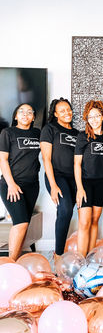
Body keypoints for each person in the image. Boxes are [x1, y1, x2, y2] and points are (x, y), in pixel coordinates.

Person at [0, 103, 40, 260]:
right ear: (16, 116)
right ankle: (11, 264)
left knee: (23, 225)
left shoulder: (37, 133)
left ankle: (14, 260)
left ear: (33, 117)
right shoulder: (7, 132)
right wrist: (11, 184)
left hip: (32, 186)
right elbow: (2, 160)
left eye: (30, 112)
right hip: (12, 185)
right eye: (21, 111)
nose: (25, 114)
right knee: (21, 223)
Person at [40, 98, 78, 260]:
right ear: (55, 114)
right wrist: (53, 185)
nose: (67, 113)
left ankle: (75, 252)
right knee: (65, 210)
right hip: (57, 176)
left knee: (67, 212)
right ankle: (58, 254)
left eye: (68, 109)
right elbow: (46, 158)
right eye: (62, 110)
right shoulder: (50, 129)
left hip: (75, 178)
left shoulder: (77, 133)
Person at [74, 100, 103, 257]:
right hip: (85, 183)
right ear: (87, 119)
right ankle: (81, 260)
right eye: (90, 117)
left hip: (101, 183)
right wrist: (80, 188)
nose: (94, 119)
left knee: (95, 220)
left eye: (97, 116)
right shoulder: (83, 137)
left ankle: (89, 256)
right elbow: (77, 164)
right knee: (84, 223)